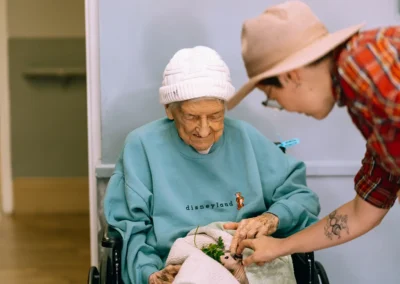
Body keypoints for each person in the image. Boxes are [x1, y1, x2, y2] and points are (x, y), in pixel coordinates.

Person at [103, 45, 320, 283]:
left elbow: (302, 198)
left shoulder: (246, 138)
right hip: (176, 269)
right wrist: (150, 274)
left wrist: (271, 218)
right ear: (170, 110)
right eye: (192, 117)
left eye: (215, 116)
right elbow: (130, 228)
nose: (204, 130)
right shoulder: (141, 146)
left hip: (245, 266)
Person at [226, 0, 400, 266]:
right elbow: (362, 212)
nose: (281, 108)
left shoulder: (364, 65)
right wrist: (279, 246)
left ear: (291, 77)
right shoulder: (362, 104)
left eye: (272, 98)